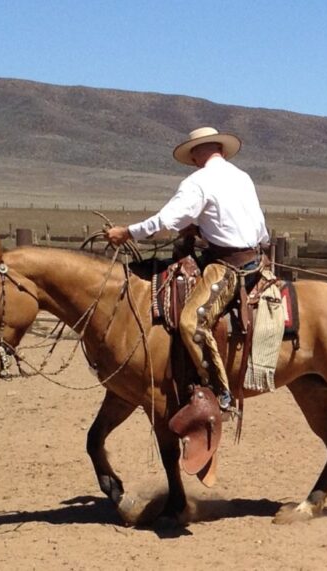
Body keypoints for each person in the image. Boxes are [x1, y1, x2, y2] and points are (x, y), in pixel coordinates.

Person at [106, 126, 270, 410]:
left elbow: (166, 222)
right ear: (220, 149)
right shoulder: (243, 177)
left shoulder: (199, 181)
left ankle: (221, 392)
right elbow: (259, 230)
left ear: (196, 154)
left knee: (192, 321)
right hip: (256, 260)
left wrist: (127, 233)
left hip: (228, 267)